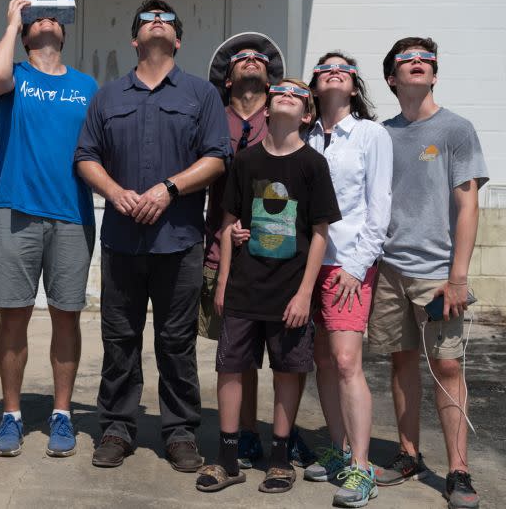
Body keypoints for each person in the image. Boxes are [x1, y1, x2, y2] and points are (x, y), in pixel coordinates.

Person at [75, 0, 230, 471]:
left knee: (176, 340)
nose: (157, 23)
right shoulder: (107, 96)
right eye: (147, 19)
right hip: (122, 241)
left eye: (165, 19)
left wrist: (169, 189)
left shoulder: (201, 95)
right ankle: (118, 429)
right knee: (120, 338)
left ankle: (180, 431)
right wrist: (114, 191)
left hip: (179, 240)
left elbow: (218, 157)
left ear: (177, 39)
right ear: (135, 38)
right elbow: (85, 157)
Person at [195, 79, 340, 494]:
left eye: (297, 94)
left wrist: (304, 294)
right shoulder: (246, 161)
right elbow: (227, 225)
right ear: (268, 107)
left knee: (287, 372)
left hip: (290, 291)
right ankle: (226, 458)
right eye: (280, 91)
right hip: (244, 286)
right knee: (230, 367)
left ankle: (279, 458)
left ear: (307, 114)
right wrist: (223, 281)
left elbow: (319, 234)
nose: (287, 95)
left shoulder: (313, 165)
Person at [368, 37, 486, 509]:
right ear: (392, 78)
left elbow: (468, 203)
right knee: (401, 363)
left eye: (426, 61)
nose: (418, 64)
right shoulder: (381, 134)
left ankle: (458, 469)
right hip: (390, 270)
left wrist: (458, 276)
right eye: (407, 60)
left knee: (448, 366)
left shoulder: (457, 129)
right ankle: (408, 454)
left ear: (434, 76)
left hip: (437, 275)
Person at [0, 0, 98, 458]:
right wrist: (12, 20)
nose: (45, 19)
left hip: (72, 215)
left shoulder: (87, 85)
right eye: (35, 18)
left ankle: (62, 414)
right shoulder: (14, 78)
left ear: (65, 32)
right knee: (14, 315)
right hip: (15, 211)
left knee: (66, 315)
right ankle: (11, 415)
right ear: (26, 34)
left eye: (53, 16)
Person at [205, 32, 318, 470]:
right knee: (237, 353)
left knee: (291, 355)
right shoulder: (213, 117)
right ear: (227, 77)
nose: (251, 60)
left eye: (259, 57)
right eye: (241, 57)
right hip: (228, 254)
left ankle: (281, 440)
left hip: (289, 263)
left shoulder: (299, 141)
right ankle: (244, 435)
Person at [300, 51, 393, 507]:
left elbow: (379, 208)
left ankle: (362, 468)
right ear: (315, 86)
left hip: (347, 264)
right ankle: (339, 454)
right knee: (322, 358)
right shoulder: (305, 135)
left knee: (345, 362)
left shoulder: (371, 135)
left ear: (354, 86)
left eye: (344, 67)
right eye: (324, 67)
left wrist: (358, 268)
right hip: (307, 264)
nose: (334, 70)